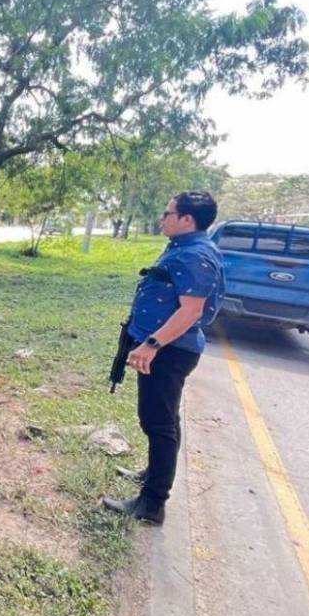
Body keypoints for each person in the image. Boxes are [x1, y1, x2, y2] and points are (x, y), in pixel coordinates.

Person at [104, 191, 224, 525]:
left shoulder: (194, 256)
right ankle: (154, 475)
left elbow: (191, 311)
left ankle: (153, 503)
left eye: (167, 213)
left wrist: (152, 345)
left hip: (169, 352)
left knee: (156, 423)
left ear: (187, 219)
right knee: (167, 419)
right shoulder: (185, 247)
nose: (162, 217)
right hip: (169, 348)